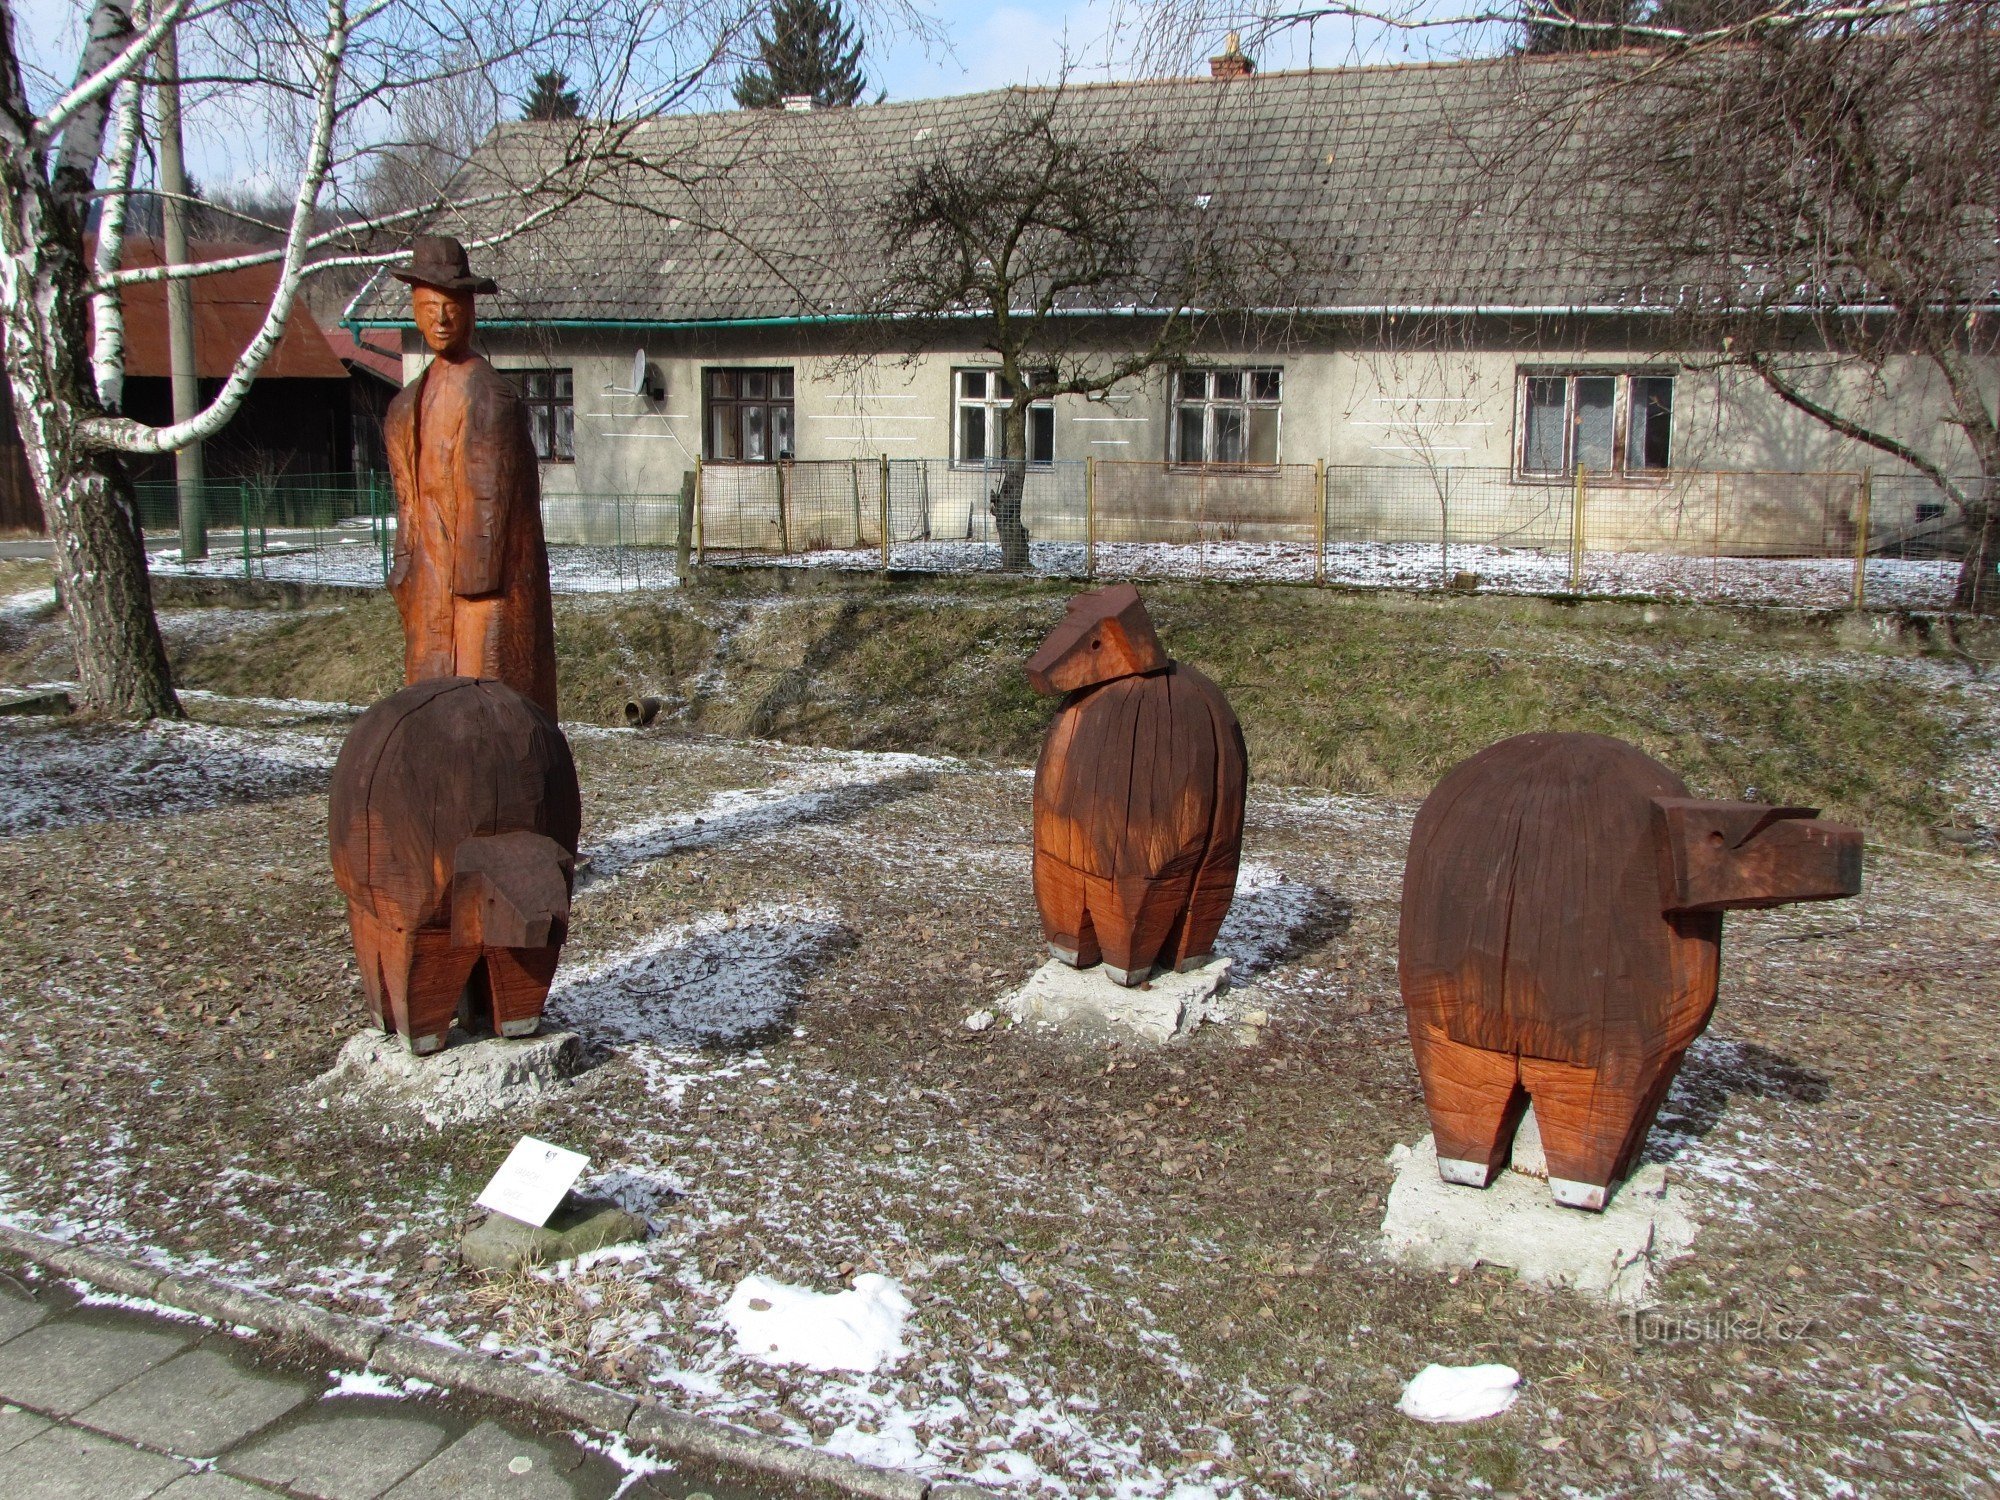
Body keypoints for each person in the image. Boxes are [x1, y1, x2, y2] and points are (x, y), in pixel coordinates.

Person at [382, 236, 558, 719]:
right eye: (429, 306)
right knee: (429, 715)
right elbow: (408, 505)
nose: (440, 319)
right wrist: (406, 572)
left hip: (484, 597)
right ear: (415, 310)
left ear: (470, 311)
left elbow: (502, 521)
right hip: (429, 590)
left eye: (451, 306)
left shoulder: (493, 398)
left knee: (490, 718)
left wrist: (475, 585)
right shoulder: (404, 408)